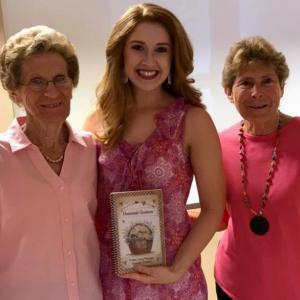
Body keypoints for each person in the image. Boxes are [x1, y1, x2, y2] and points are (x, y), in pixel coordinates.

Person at [88, 3, 225, 299]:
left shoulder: (192, 121)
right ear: (120, 53)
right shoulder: (98, 122)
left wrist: (176, 269)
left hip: (174, 283)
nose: (149, 60)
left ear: (174, 56)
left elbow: (213, 209)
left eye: (161, 49)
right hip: (113, 283)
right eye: (138, 47)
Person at [0, 25, 102, 300]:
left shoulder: (93, 152)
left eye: (60, 79)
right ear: (13, 92)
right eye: (36, 81)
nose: (51, 92)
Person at [214, 36, 300, 299]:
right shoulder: (217, 143)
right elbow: (219, 216)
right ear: (229, 92)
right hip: (235, 284)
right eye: (246, 83)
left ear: (282, 87)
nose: (257, 92)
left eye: (267, 81)